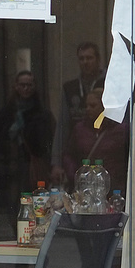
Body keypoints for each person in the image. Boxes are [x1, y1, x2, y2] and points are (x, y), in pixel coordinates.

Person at [0, 70, 56, 220]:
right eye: (22, 85)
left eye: (29, 85)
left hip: (29, 166)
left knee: (30, 203)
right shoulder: (8, 111)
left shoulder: (41, 113)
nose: (26, 89)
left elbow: (46, 142)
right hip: (7, 165)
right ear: (16, 86)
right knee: (9, 205)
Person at [54, 41, 105, 181]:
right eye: (81, 58)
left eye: (89, 58)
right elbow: (62, 126)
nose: (85, 62)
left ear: (98, 59)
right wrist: (56, 163)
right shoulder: (70, 88)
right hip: (77, 150)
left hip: (103, 146)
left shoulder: (109, 83)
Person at [62, 83, 129, 189]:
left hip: (113, 185)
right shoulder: (80, 129)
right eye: (86, 106)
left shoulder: (121, 130)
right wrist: (75, 175)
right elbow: (69, 155)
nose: (88, 109)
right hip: (86, 185)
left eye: (93, 106)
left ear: (104, 107)